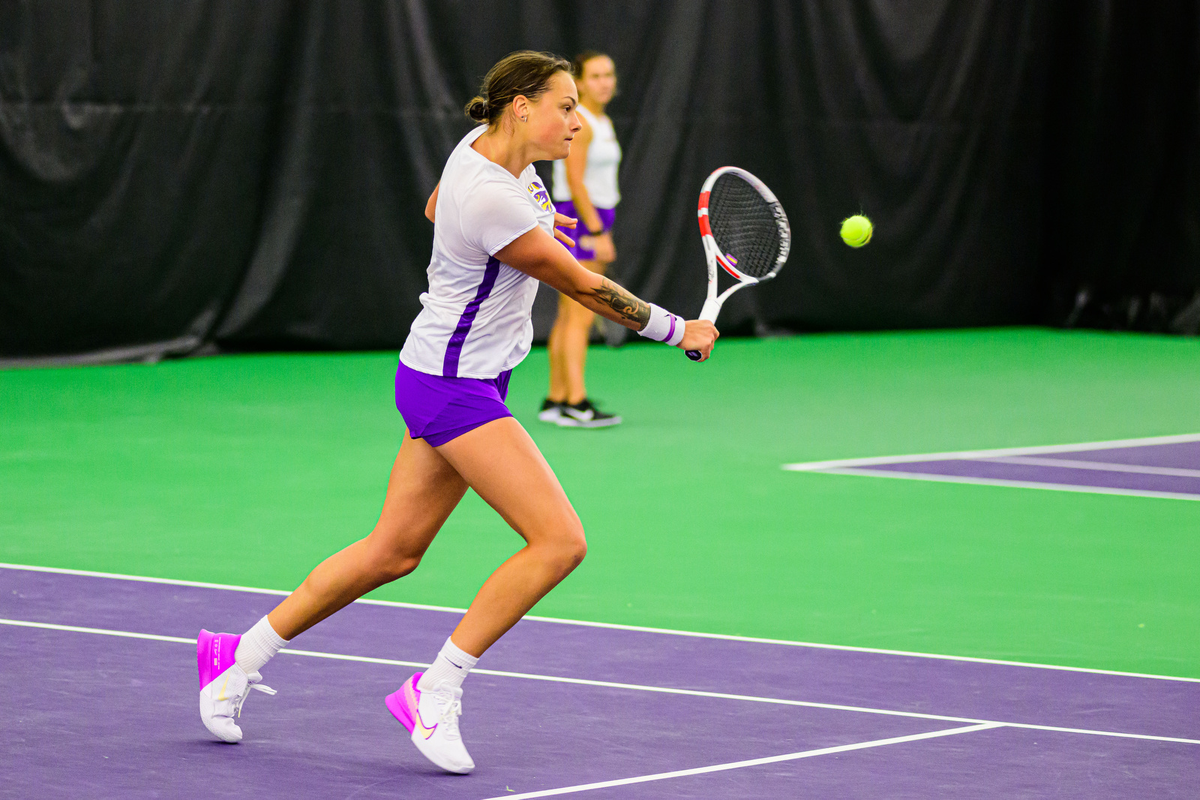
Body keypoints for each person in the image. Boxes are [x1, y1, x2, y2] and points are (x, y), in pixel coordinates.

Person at [196, 50, 717, 775]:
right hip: (452, 385)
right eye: (566, 105)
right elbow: (579, 284)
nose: (578, 120)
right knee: (559, 542)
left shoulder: (482, 146)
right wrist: (675, 327)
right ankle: (433, 690)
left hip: (448, 372)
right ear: (522, 107)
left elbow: (435, 208)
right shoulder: (492, 194)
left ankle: (237, 655)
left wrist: (517, 241)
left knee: (392, 552)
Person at [541, 51, 623, 427]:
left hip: (593, 217)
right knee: (580, 314)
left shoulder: (602, 121)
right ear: (580, 83)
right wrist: (597, 232)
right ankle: (576, 401)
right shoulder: (583, 123)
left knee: (568, 313)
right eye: (595, 76)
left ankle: (556, 398)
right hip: (581, 220)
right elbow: (575, 183)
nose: (604, 82)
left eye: (609, 75)